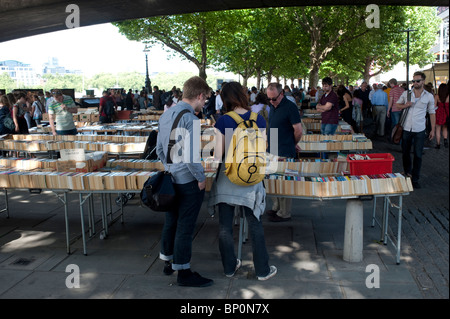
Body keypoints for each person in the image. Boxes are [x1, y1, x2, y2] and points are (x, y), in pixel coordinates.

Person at [208, 81, 277, 281]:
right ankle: (262, 270)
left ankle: (229, 268)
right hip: (251, 178)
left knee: (225, 227)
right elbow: (263, 150)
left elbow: (218, 155)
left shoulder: (222, 121)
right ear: (243, 95)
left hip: (227, 178)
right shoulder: (259, 119)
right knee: (255, 225)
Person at [156, 76, 213, 287]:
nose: (205, 103)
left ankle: (167, 262)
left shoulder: (166, 114)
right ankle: (184, 272)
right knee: (185, 227)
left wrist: (169, 167)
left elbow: (160, 149)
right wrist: (201, 178)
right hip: (188, 181)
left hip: (171, 177)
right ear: (199, 95)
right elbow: (191, 157)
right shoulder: (192, 120)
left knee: (171, 220)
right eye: (205, 99)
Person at [266, 82, 302, 222]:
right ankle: (276, 207)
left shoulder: (290, 107)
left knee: (283, 182)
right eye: (269, 98)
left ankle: (284, 212)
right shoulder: (272, 106)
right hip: (273, 146)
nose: (271, 101)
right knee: (273, 179)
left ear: (281, 94)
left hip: (285, 149)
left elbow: (298, 130)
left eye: (273, 98)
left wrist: (293, 143)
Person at [395, 71, 436, 189]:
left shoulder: (428, 96)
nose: (415, 83)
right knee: (405, 153)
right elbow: (397, 105)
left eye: (417, 81)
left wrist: (432, 129)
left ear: (423, 81)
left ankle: (415, 178)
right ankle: (408, 173)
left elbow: (432, 113)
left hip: (420, 129)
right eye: (413, 81)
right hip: (407, 128)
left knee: (418, 155)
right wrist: (405, 105)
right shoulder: (407, 93)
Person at [434, 82, 449, 149]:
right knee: (445, 128)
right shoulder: (448, 96)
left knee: (438, 129)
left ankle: (438, 144)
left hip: (438, 114)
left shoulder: (437, 96)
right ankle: (445, 140)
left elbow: (434, 106)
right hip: (446, 113)